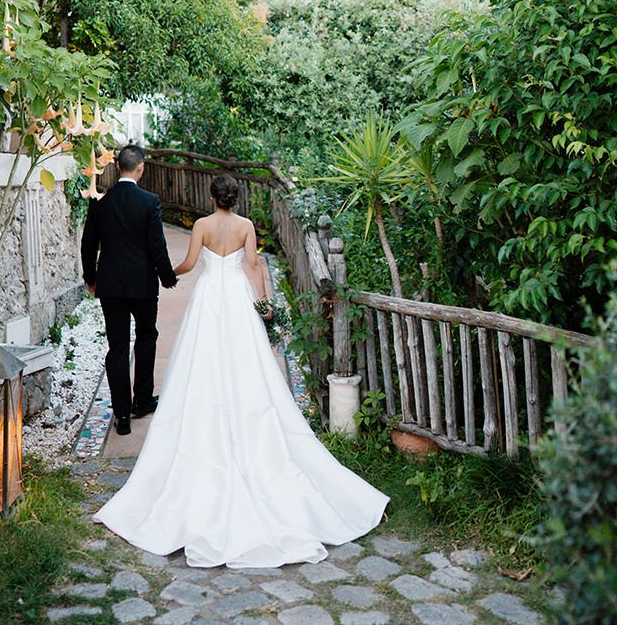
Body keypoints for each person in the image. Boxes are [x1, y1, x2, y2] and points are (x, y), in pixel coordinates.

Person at [94, 172, 389, 567]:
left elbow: (190, 263)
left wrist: (166, 273)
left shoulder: (201, 225)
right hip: (236, 298)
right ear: (235, 198)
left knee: (201, 366)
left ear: (212, 197)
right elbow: (253, 266)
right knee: (248, 368)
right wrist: (264, 305)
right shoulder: (246, 226)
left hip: (208, 299)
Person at [80, 144, 177, 436]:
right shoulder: (149, 202)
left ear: (117, 166)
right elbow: (157, 246)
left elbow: (88, 244)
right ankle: (142, 400)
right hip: (142, 284)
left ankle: (122, 414)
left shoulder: (100, 201)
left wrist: (90, 277)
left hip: (110, 285)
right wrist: (167, 277)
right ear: (140, 168)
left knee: (118, 346)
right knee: (146, 337)